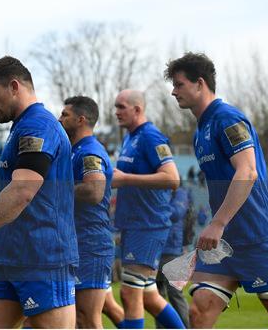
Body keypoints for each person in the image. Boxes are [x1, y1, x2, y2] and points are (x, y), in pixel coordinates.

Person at [0, 56, 78, 328]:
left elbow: (22, 190)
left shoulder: (38, 125)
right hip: (11, 257)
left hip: (42, 257)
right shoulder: (21, 126)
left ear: (15, 86)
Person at [166, 52, 268, 328]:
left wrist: (218, 223)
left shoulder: (227, 119)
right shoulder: (200, 132)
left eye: (179, 84)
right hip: (224, 247)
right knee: (199, 312)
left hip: (258, 238)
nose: (173, 92)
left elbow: (248, 171)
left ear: (200, 83)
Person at [111, 89, 184, 329]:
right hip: (134, 224)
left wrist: (125, 179)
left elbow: (172, 178)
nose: (116, 112)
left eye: (121, 106)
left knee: (130, 294)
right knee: (149, 296)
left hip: (148, 225)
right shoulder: (129, 137)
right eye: (116, 107)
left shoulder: (152, 136)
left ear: (137, 109)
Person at [59, 95, 124, 328]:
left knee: (86, 318)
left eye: (65, 115)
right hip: (76, 243)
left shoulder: (89, 151)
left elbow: (94, 190)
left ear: (81, 119)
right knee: (75, 318)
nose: (59, 118)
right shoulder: (74, 151)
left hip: (90, 244)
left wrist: (55, 192)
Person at [155, 183, 191, 328]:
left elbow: (176, 213)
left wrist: (154, 209)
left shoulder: (180, 192)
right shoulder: (158, 191)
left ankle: (187, 326)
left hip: (172, 249)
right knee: (157, 295)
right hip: (156, 248)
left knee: (175, 292)